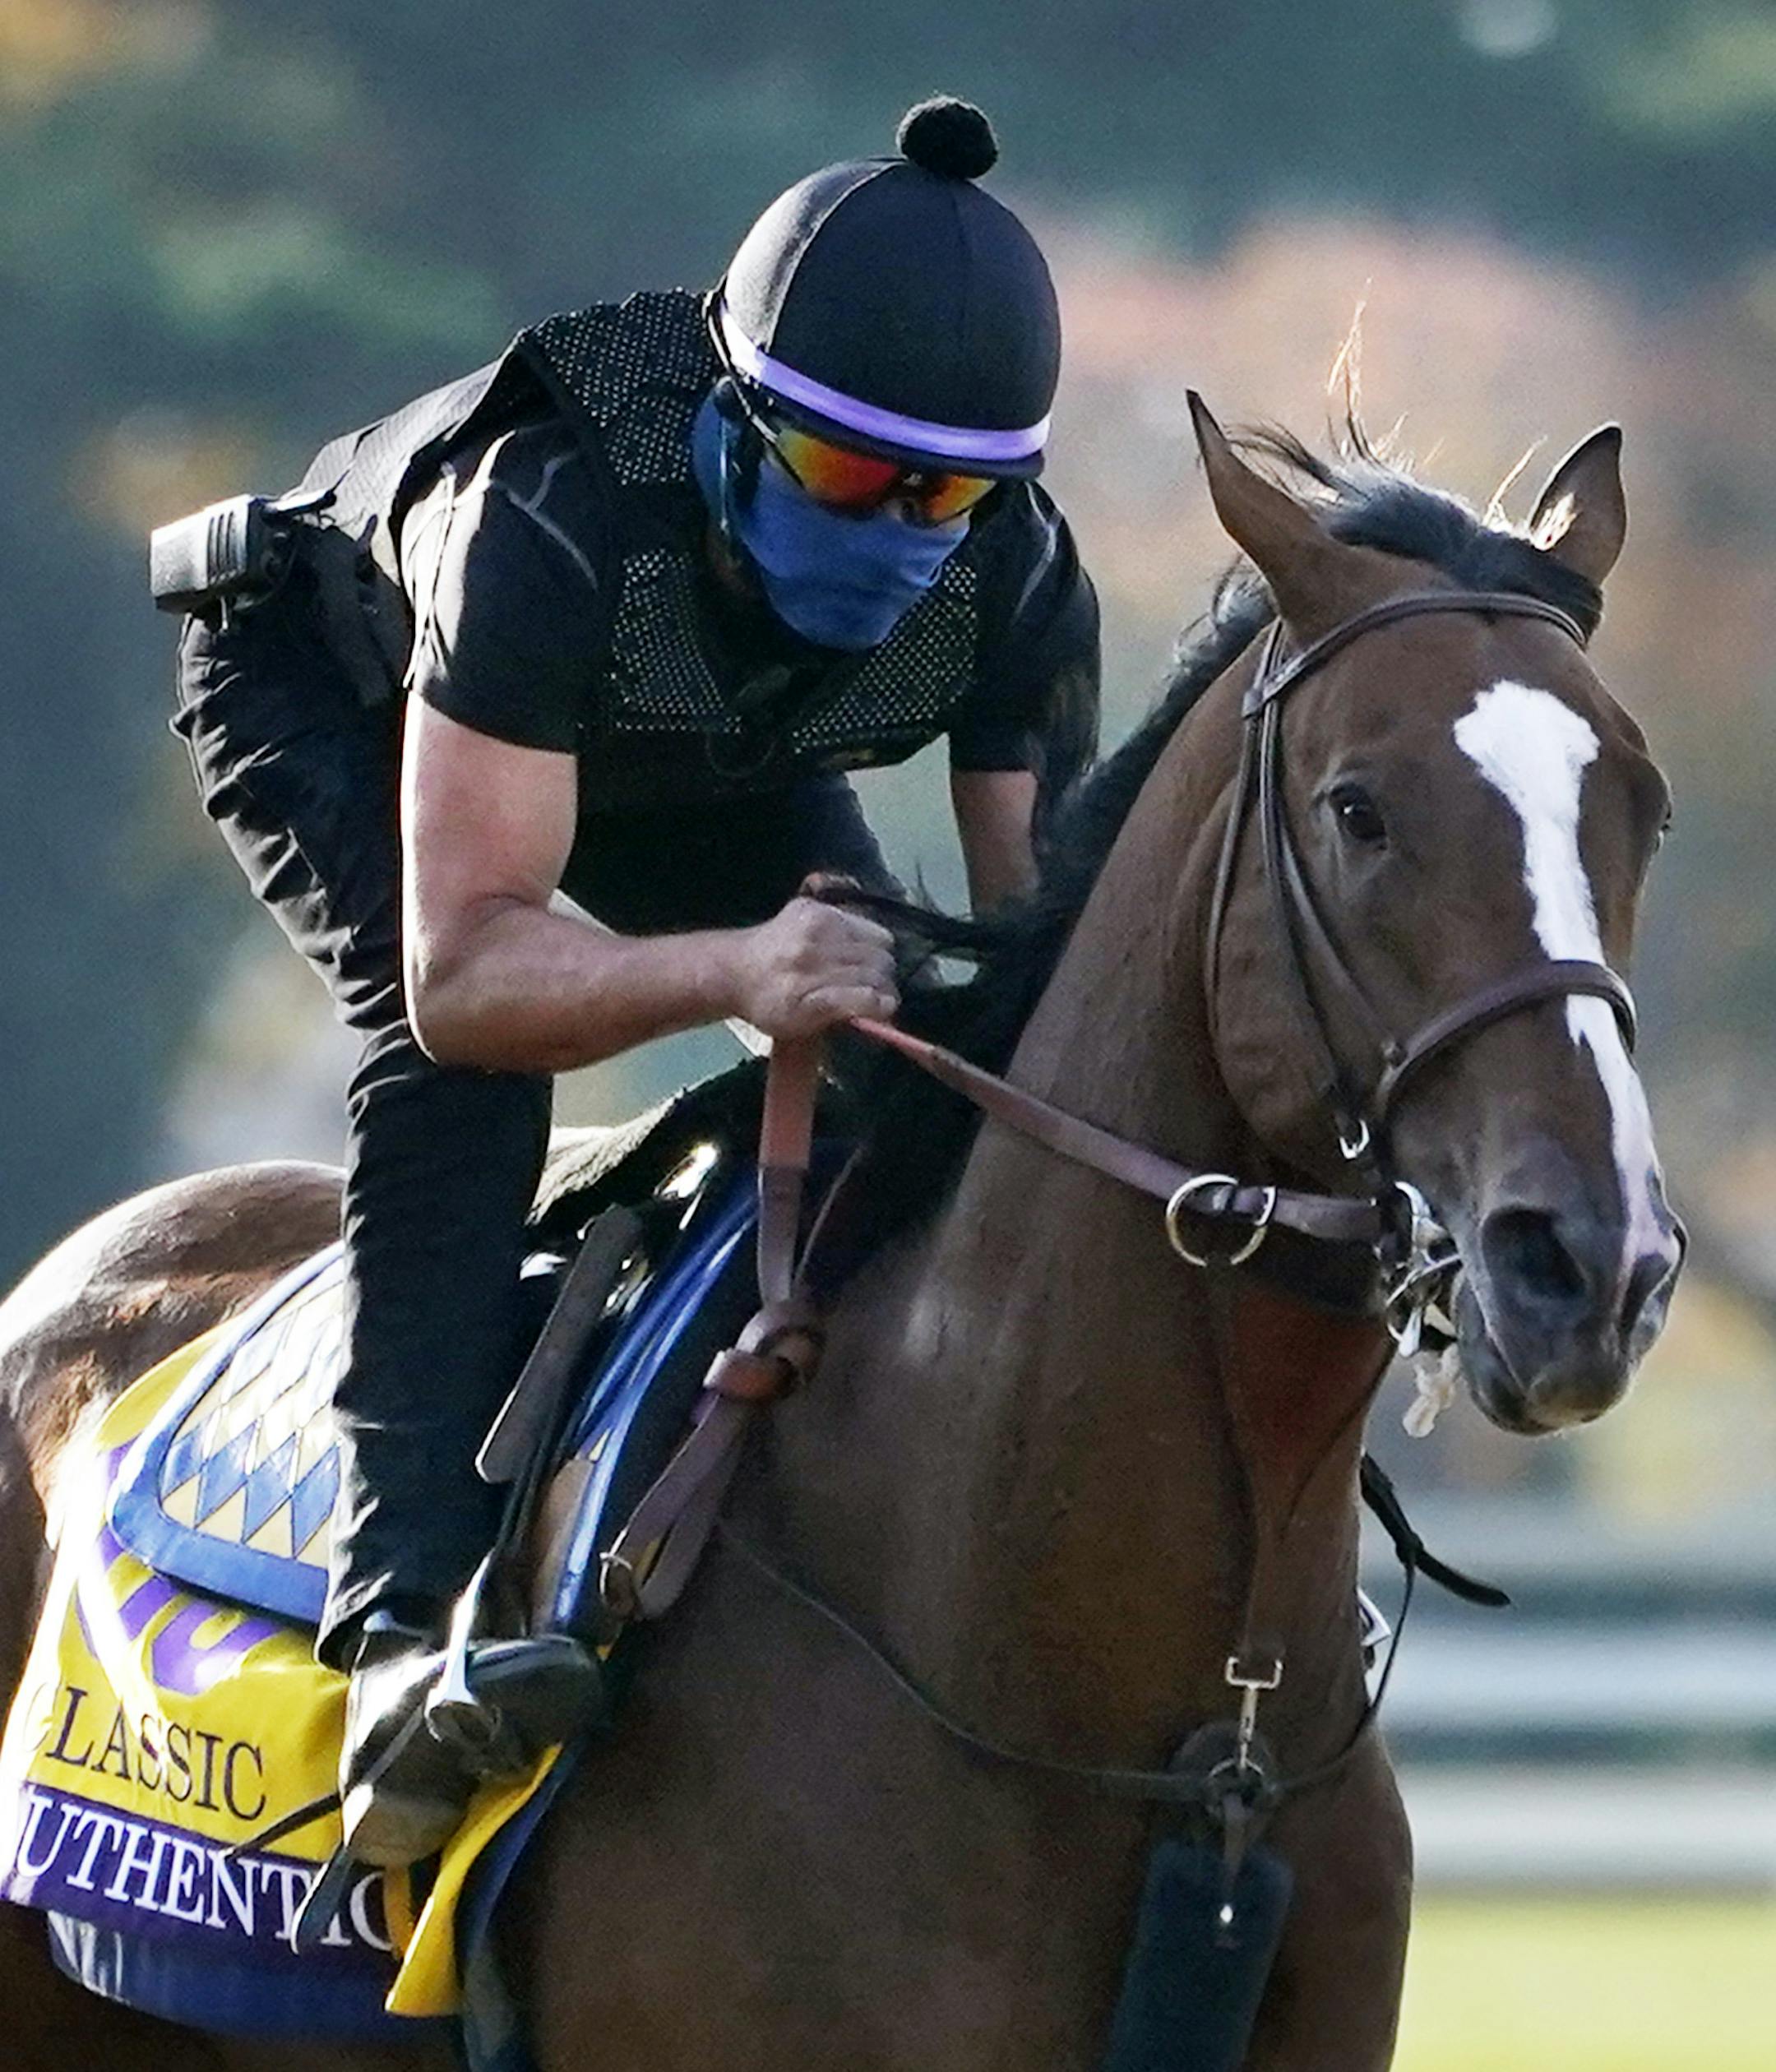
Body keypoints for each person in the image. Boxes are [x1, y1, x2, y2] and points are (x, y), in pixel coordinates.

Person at [167, 95, 1099, 1868]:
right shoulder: (558, 505)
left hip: (698, 737)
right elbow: (468, 974)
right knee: (456, 1076)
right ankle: (401, 1629)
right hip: (342, 678)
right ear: (742, 423)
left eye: (954, 492)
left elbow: (1031, 991)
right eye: (852, 477)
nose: (910, 529)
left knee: (907, 1055)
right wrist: (745, 965)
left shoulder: (1021, 575)